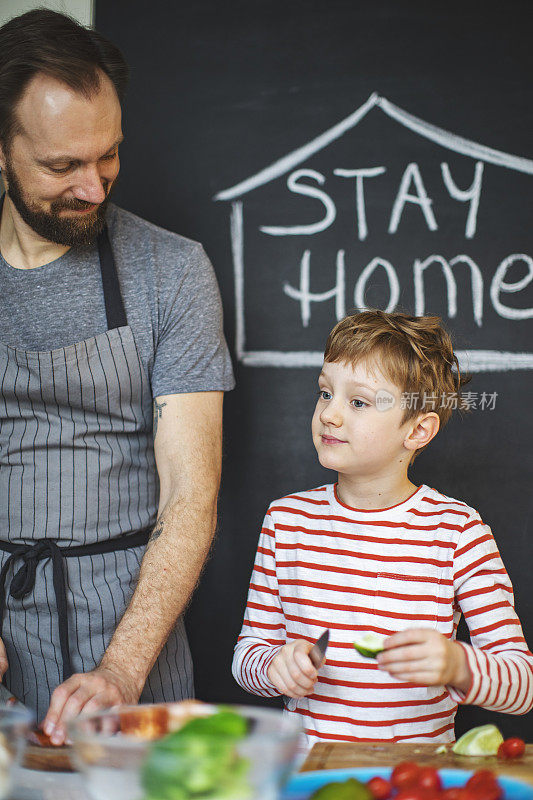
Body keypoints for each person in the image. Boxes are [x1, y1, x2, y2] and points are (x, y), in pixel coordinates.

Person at [0, 9, 234, 744]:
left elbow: (190, 495)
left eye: (108, 156)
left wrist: (121, 671)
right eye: (61, 166)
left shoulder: (173, 271)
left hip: (138, 631)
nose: (94, 188)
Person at [232, 310, 533, 747]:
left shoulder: (457, 532)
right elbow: (248, 656)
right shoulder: (285, 521)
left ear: (417, 430)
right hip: (307, 776)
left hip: (415, 779)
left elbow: (523, 685)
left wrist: (458, 665)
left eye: (358, 402)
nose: (329, 415)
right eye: (324, 393)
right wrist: (275, 666)